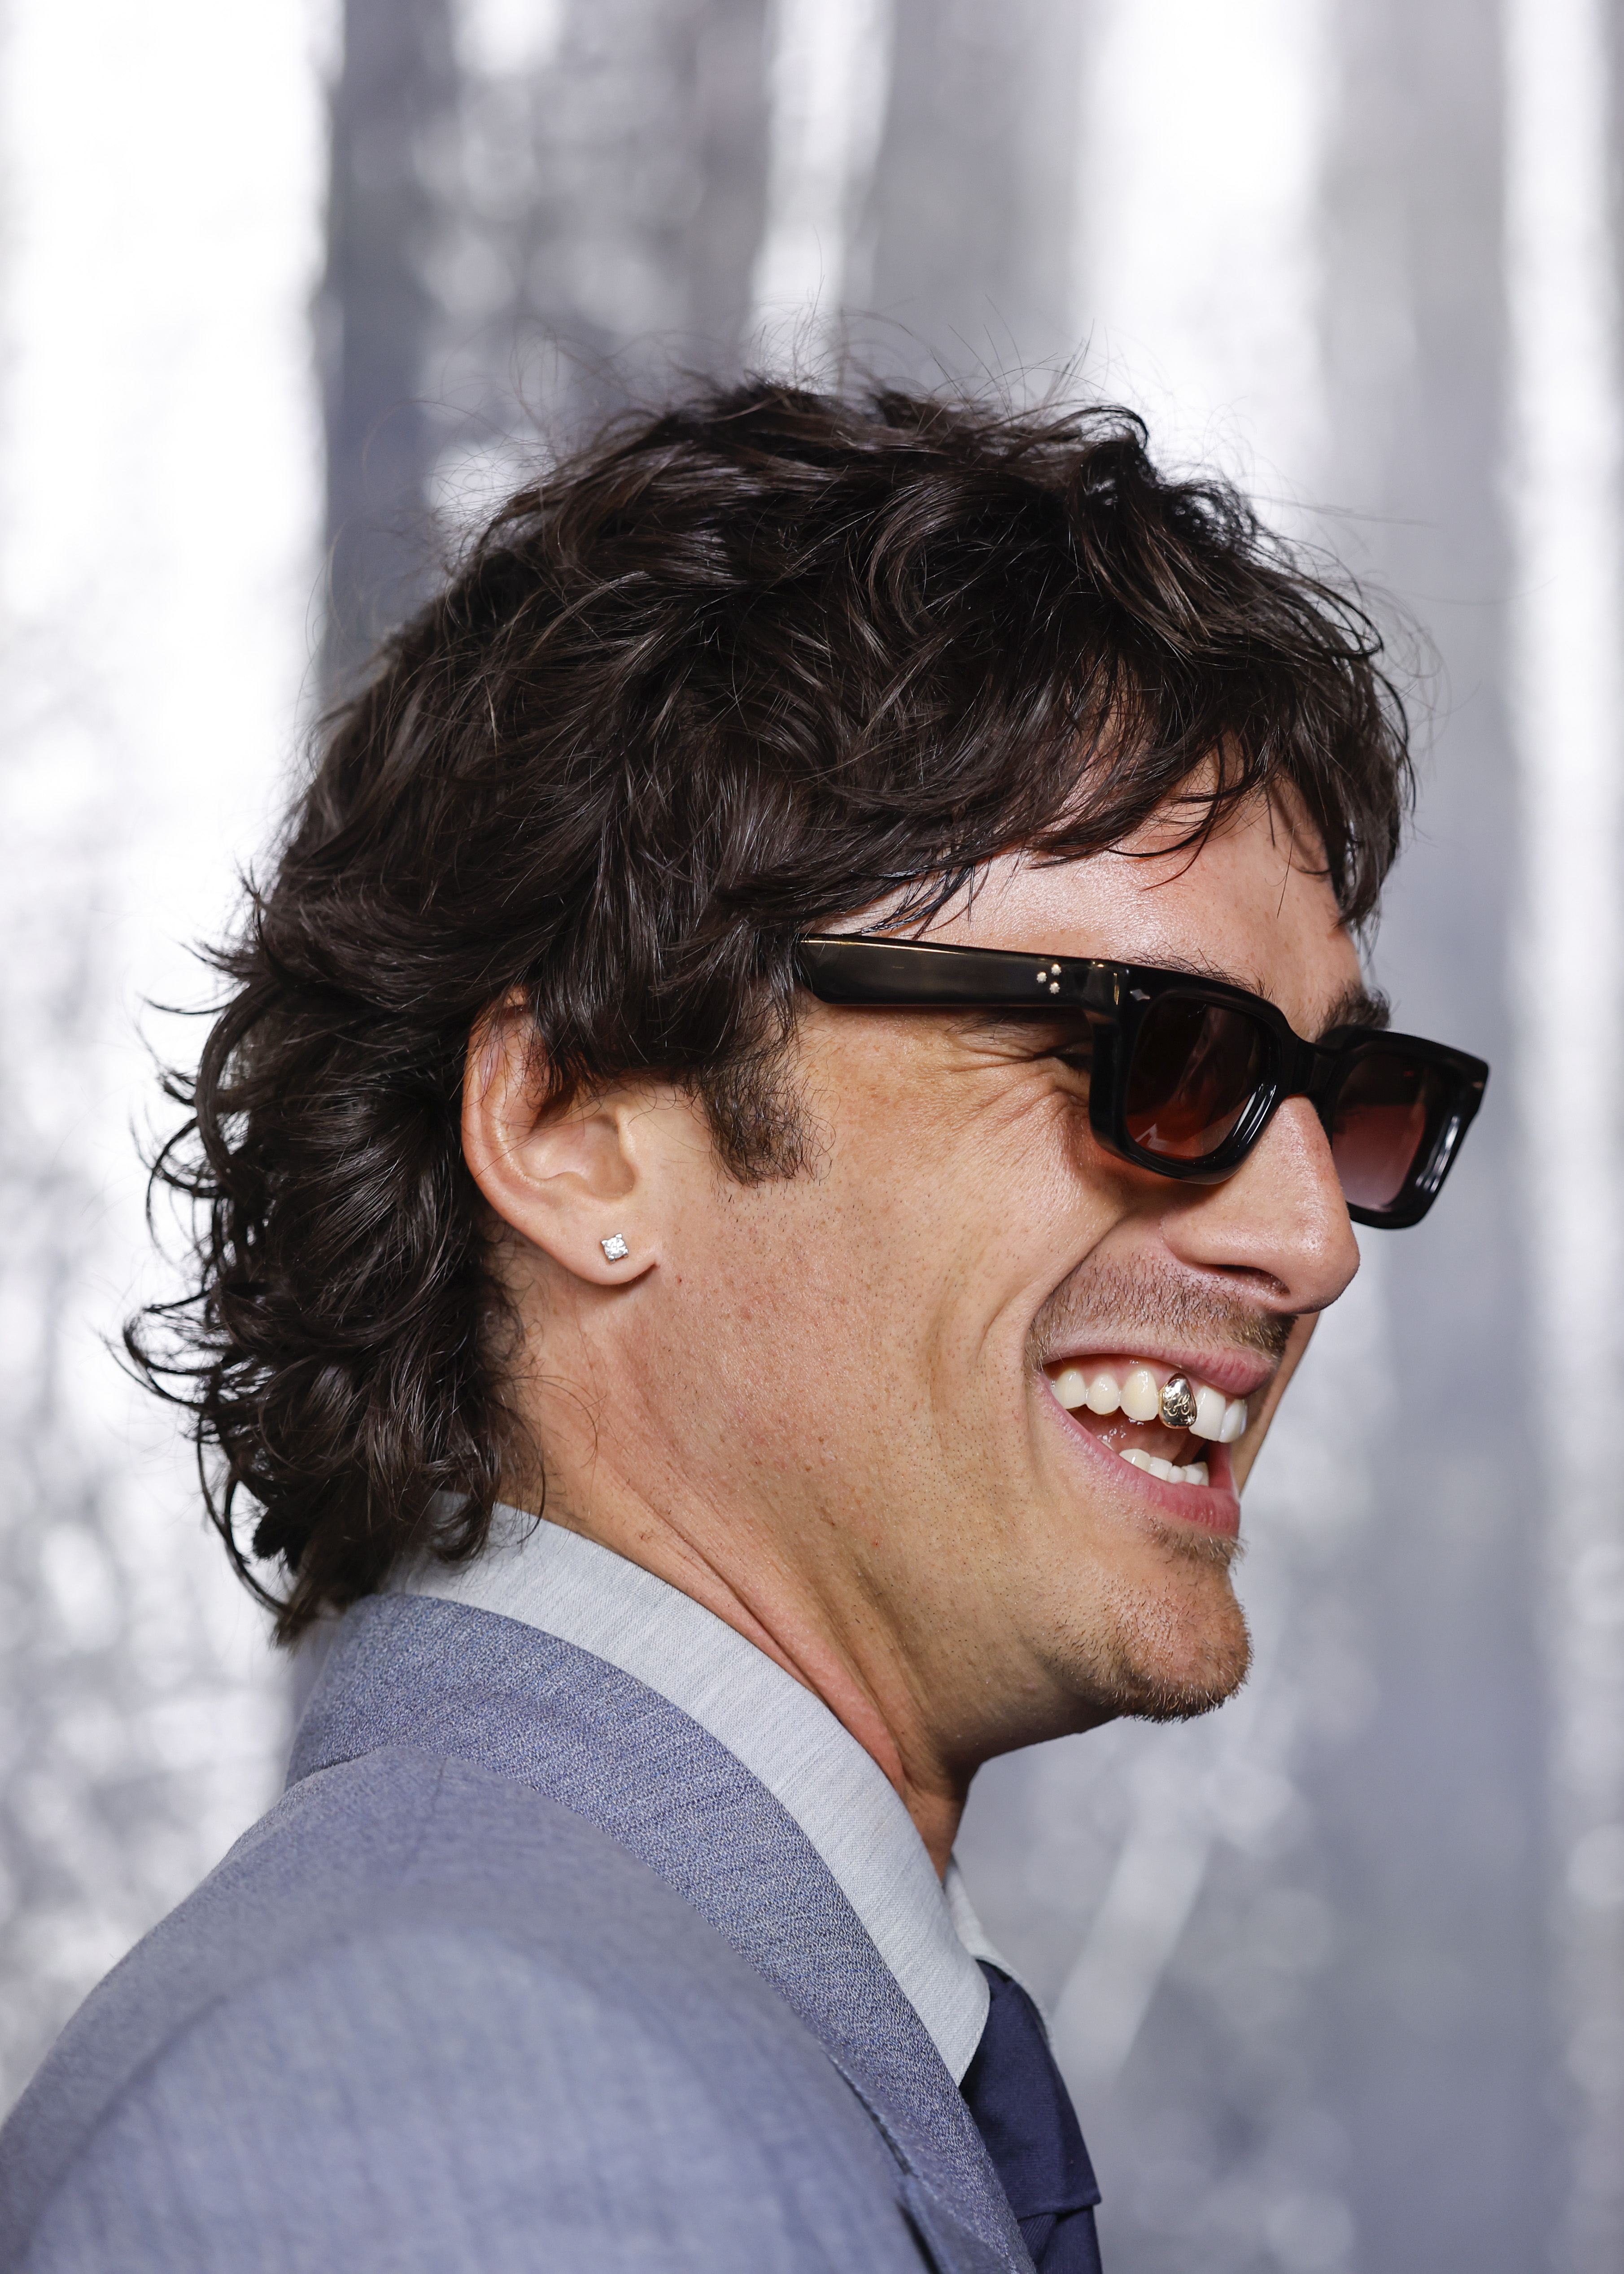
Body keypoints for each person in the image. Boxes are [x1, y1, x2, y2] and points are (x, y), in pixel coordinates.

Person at [0, 384, 1487, 2274]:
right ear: (573, 1126)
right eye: (1155, 1053)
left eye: (1341, 1096)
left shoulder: (618, 2020)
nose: (1308, 1241)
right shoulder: (471, 2118)